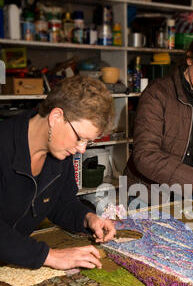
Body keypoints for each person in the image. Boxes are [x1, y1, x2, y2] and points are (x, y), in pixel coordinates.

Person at [0, 75, 116, 271]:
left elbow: (60, 203)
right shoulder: (3, 145)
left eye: (88, 142)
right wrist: (49, 256)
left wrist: (87, 218)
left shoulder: (60, 154)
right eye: (80, 138)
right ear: (56, 117)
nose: (81, 149)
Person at [124, 30, 193, 207]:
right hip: (147, 193)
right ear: (190, 59)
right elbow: (145, 155)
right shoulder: (158, 94)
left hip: (188, 194)